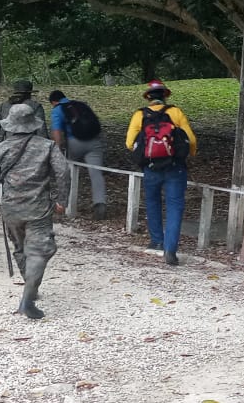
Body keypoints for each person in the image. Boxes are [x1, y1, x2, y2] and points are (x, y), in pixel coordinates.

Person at [0, 104, 70, 320]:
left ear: (10, 125)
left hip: (11, 208)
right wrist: (62, 200)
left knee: (20, 248)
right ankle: (28, 298)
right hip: (38, 208)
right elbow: (63, 171)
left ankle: (31, 287)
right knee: (39, 251)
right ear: (33, 125)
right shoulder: (48, 146)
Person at [125, 80, 198, 266]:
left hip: (151, 167)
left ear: (148, 97)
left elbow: (129, 142)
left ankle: (156, 240)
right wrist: (190, 154)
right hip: (175, 167)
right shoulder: (175, 112)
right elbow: (190, 139)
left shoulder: (139, 115)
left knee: (152, 201)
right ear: (165, 96)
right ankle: (170, 248)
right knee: (174, 206)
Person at [48, 90, 107, 220]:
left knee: (69, 171)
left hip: (75, 142)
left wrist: (57, 149)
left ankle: (67, 204)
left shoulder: (57, 109)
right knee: (96, 173)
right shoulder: (81, 105)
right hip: (94, 142)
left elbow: (57, 131)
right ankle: (99, 203)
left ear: (53, 102)